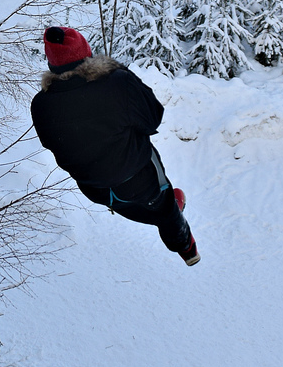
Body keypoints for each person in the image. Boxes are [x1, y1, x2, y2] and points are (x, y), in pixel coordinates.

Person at [30, 26, 199, 266]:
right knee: (165, 210)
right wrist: (120, 74)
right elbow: (153, 119)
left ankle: (153, 207)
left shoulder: (40, 105)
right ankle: (186, 247)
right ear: (87, 54)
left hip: (93, 188)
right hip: (138, 180)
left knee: (127, 202)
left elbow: (53, 144)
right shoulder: (117, 82)